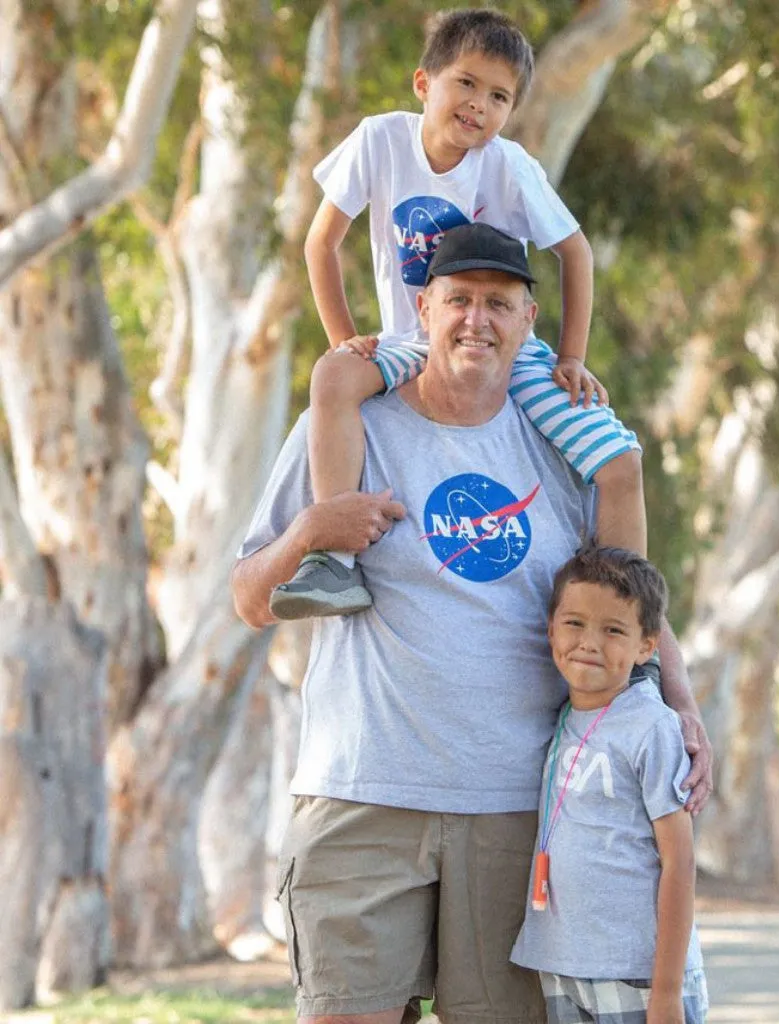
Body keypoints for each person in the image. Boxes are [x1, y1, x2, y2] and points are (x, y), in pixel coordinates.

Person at [231, 223, 712, 1024]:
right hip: (362, 793)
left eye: (500, 303)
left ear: (529, 323)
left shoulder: (563, 447)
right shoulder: (347, 427)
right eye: (458, 300)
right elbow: (249, 600)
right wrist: (314, 529)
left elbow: (631, 604)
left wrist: (683, 705)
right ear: (423, 308)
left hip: (519, 811)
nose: (476, 321)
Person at [270, 7, 647, 620]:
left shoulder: (509, 165)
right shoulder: (380, 139)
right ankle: (335, 564)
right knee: (332, 377)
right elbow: (320, 243)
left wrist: (572, 357)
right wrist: (344, 339)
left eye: (499, 95)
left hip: (505, 348)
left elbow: (575, 252)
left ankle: (627, 620)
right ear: (425, 84)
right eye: (466, 83)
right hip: (414, 337)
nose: (479, 104)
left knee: (620, 458)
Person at [511, 545, 708, 1024]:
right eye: (574, 623)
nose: (589, 643)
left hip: (638, 974)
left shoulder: (651, 726)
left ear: (647, 645)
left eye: (614, 630)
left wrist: (667, 992)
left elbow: (679, 861)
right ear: (550, 628)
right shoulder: (563, 718)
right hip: (564, 967)